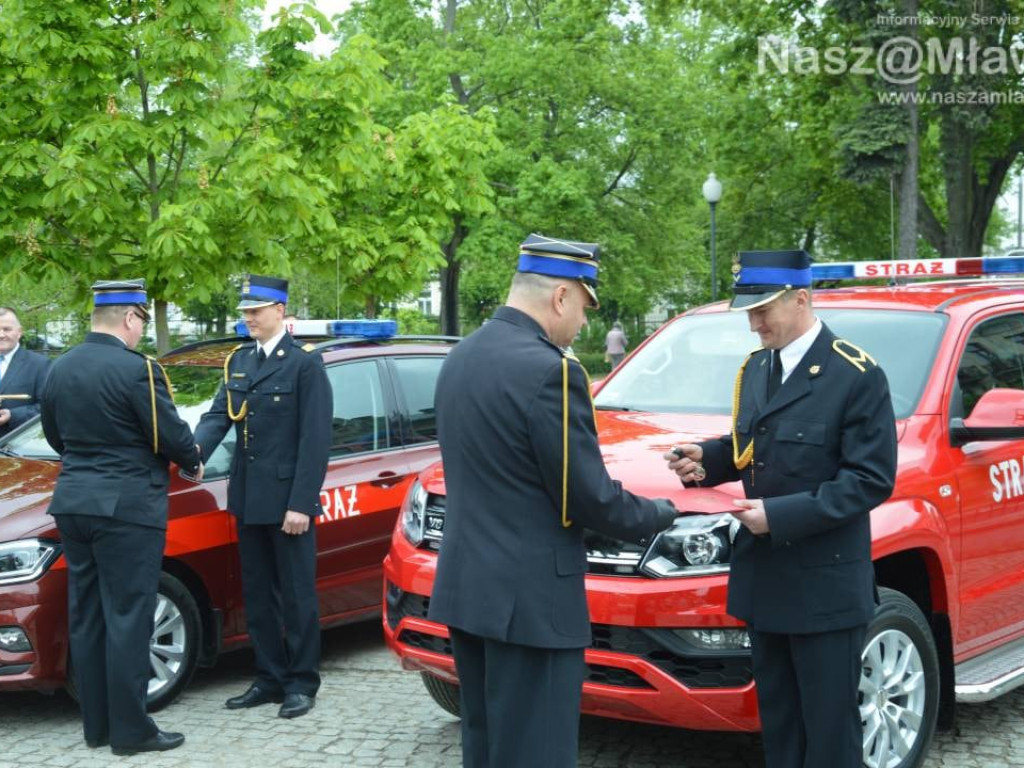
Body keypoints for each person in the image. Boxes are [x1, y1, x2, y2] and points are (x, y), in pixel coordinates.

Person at [428, 233, 678, 768]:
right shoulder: (552, 371)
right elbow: (588, 498)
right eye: (585, 307)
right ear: (560, 296)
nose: (585, 323)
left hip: (469, 589)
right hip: (531, 602)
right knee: (536, 751)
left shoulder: (462, 355)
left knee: (487, 743)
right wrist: (661, 514)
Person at [665, 249, 898, 768]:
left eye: (764, 308)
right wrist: (709, 458)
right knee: (781, 728)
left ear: (800, 298)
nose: (754, 322)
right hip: (767, 581)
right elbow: (754, 446)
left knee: (830, 734)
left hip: (824, 587)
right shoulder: (757, 369)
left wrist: (779, 516)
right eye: (748, 310)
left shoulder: (854, 374)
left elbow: (870, 480)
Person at [40, 280, 202, 756]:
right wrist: (191, 455)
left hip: (72, 502)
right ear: (131, 318)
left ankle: (98, 726)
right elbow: (170, 435)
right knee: (130, 617)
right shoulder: (138, 370)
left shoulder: (59, 366)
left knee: (86, 617)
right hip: (127, 508)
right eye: (141, 323)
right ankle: (132, 732)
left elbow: (56, 438)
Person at [194, 274, 331, 719]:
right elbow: (218, 417)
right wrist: (191, 455)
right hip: (249, 497)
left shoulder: (305, 364)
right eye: (245, 312)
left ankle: (302, 681)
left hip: (288, 501)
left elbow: (315, 440)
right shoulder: (239, 362)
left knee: (296, 596)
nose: (249, 318)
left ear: (280, 311)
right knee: (257, 595)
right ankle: (270, 676)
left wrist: (301, 503)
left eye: (256, 310)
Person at [0, 307, 51, 437]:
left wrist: (12, 415)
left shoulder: (40, 365)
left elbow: (48, 408)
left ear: (19, 332)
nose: (1, 335)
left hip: (15, 448)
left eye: (7, 329)